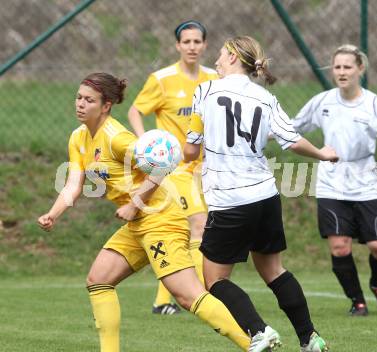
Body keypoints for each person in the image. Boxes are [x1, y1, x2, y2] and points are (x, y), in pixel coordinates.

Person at [37, 72, 251, 352]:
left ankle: (252, 344)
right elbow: (73, 184)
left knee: (187, 296)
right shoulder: (78, 138)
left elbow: (163, 164)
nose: (80, 104)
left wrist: (134, 204)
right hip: (139, 224)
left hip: (161, 219)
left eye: (89, 100)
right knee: (99, 279)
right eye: (79, 97)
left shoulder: (118, 139)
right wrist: (53, 213)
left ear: (106, 106)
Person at [184, 36, 336, 352]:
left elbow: (190, 149)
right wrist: (322, 154)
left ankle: (259, 330)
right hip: (265, 197)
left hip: (230, 199)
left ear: (231, 56)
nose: (215, 61)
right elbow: (292, 140)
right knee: (273, 270)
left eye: (220, 55)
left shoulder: (205, 90)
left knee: (213, 279)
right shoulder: (265, 98)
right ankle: (310, 338)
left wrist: (169, 150)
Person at [291, 44, 377, 316]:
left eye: (347, 67)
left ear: (360, 69)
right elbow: (293, 128)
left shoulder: (375, 103)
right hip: (332, 181)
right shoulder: (323, 102)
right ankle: (357, 301)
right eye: (337, 67)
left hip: (366, 182)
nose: (341, 72)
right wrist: (259, 133)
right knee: (340, 247)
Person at [128, 20, 217, 315]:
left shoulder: (215, 78)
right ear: (177, 46)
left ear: (205, 45)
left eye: (197, 42)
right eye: (186, 42)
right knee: (198, 224)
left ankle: (165, 300)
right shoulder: (162, 78)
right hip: (176, 169)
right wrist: (147, 146)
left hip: (209, 168)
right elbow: (135, 111)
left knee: (189, 230)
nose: (192, 46)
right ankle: (199, 296)